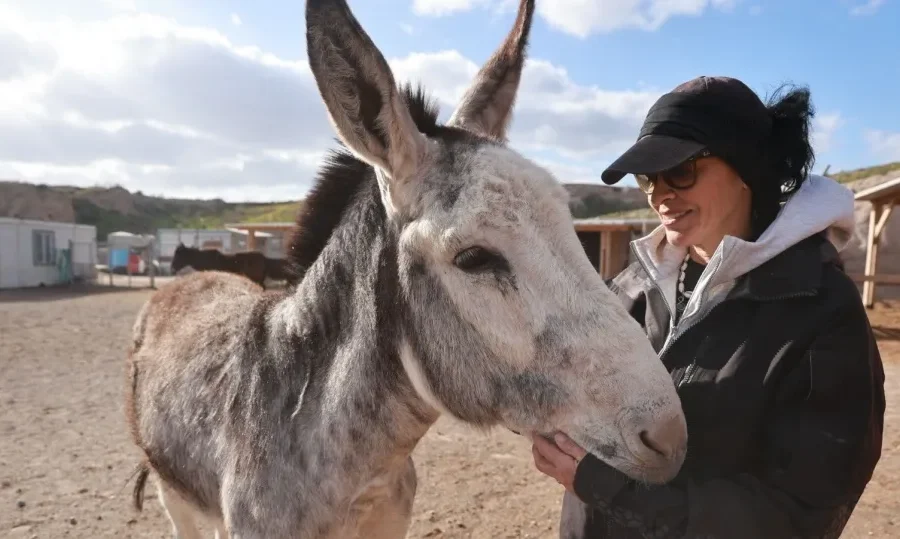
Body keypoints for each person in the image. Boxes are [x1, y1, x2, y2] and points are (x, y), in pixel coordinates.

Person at [530, 75, 886, 538]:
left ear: (748, 170)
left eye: (679, 170)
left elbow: (799, 513)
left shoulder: (822, 311)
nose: (660, 193)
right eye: (647, 178)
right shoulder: (634, 285)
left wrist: (610, 490)